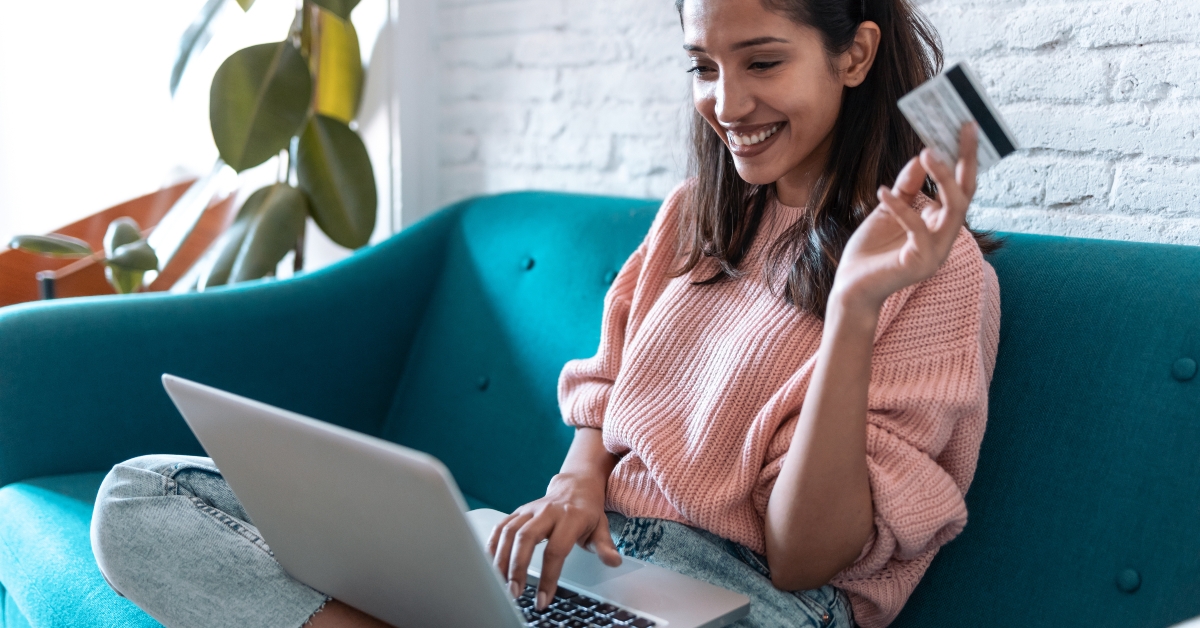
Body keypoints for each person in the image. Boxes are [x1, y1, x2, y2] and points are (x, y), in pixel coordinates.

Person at [90, 0, 1000, 626]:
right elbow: (604, 398)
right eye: (703, 67)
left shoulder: (936, 272)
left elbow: (806, 561)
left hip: (750, 602)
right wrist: (574, 482)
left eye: (763, 62)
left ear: (855, 54)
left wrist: (852, 307)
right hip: (594, 566)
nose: (726, 104)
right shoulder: (695, 216)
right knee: (143, 497)